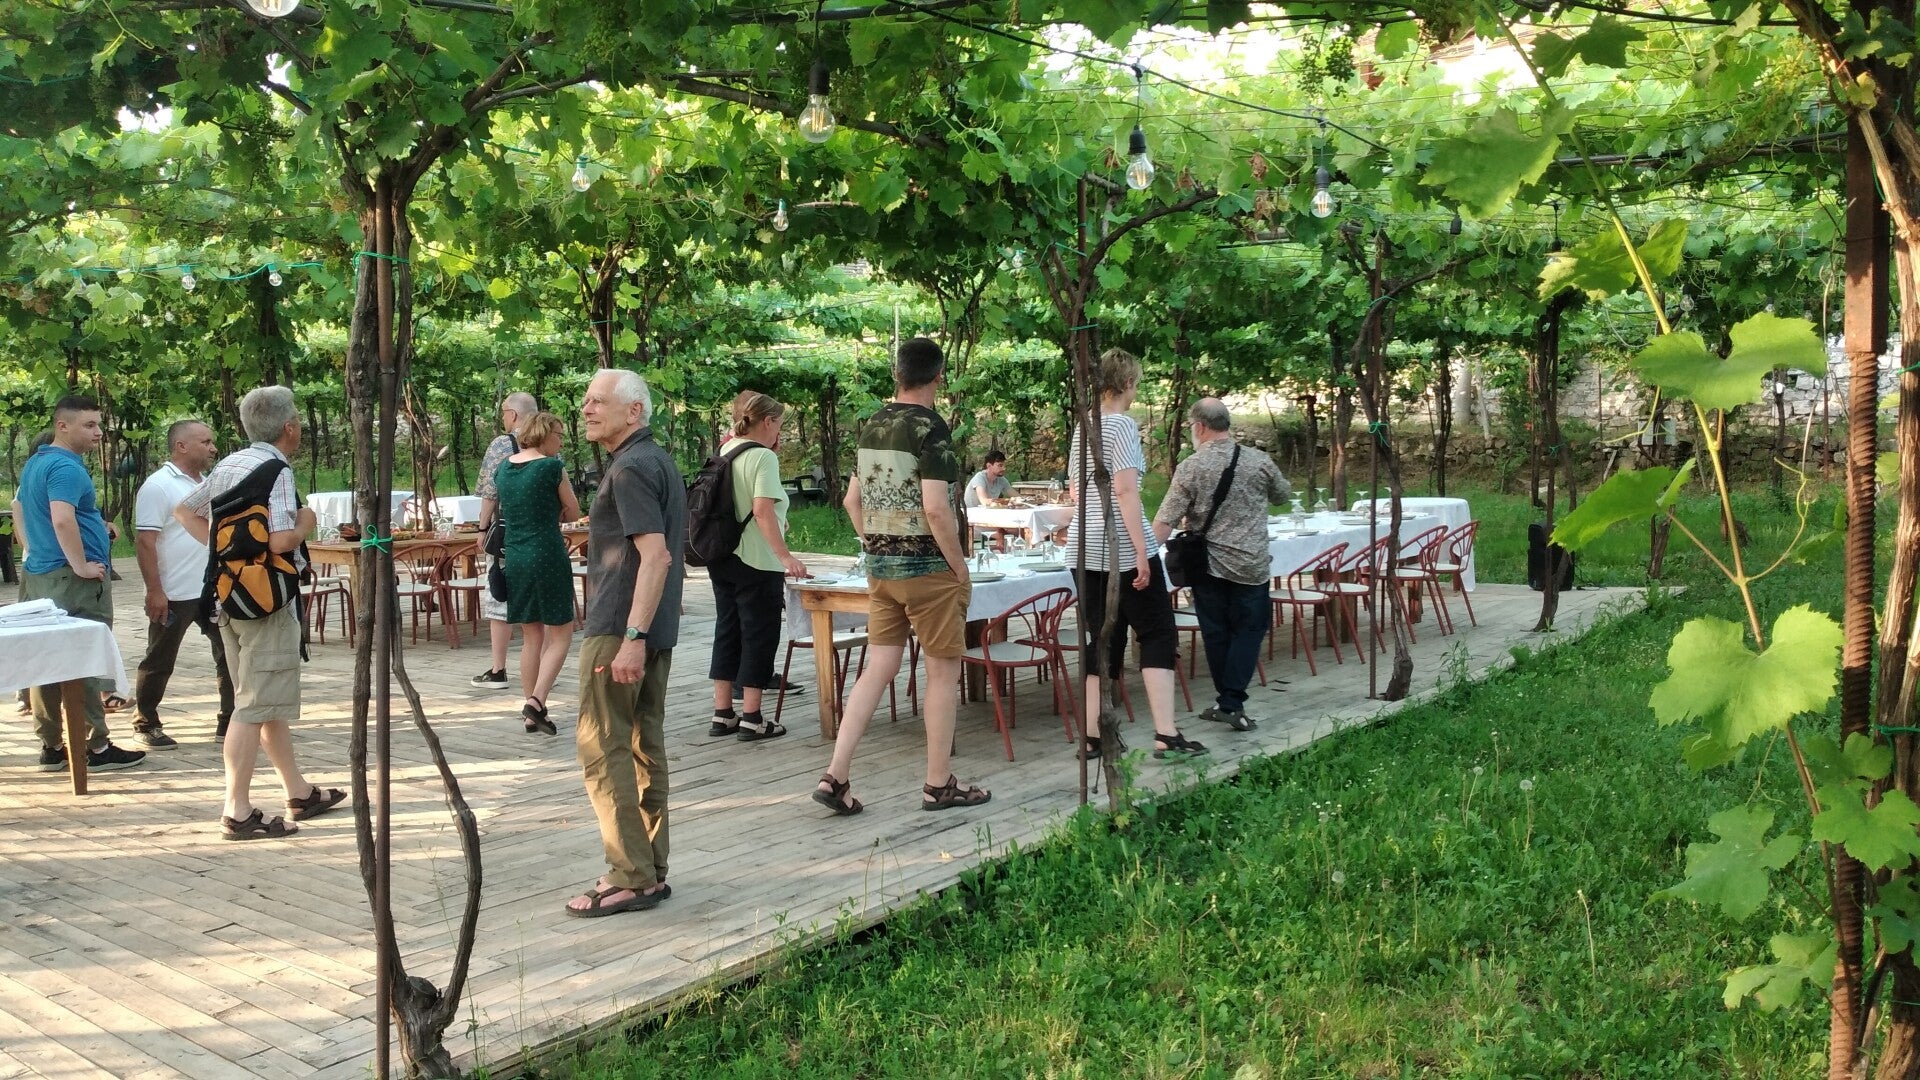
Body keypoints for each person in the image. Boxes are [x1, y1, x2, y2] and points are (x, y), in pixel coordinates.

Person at [813, 337, 990, 816]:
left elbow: (853, 501)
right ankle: (938, 783)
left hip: (881, 571)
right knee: (941, 675)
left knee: (877, 670)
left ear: (897, 374)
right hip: (929, 571)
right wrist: (959, 567)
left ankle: (836, 774)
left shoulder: (872, 424)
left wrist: (876, 546)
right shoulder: (932, 429)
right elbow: (936, 508)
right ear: (939, 377)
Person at [177, 386, 343, 840]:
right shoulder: (277, 470)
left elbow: (185, 510)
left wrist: (227, 556)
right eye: (299, 421)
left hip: (227, 597)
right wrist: (309, 519)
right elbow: (281, 540)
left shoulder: (230, 463)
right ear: (289, 427)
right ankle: (238, 811)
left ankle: (300, 791)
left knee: (262, 698)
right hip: (267, 602)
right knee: (251, 705)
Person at [565, 368, 685, 918]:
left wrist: (631, 639)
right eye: (585, 400)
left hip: (621, 627)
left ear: (634, 411)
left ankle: (630, 874)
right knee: (642, 743)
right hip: (648, 626)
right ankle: (648, 866)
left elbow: (654, 556)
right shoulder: (653, 459)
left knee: (603, 746)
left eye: (598, 401)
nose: (586, 408)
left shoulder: (632, 467)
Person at [1068, 348, 1205, 762]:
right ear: (1128, 383)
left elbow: (1078, 492)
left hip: (1083, 545)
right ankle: (1166, 732)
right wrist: (1143, 553)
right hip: (1121, 547)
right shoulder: (1123, 426)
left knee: (1101, 638)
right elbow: (1125, 491)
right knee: (1157, 633)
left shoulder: (1084, 427)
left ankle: (1092, 735)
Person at [1152, 398, 1292, 733]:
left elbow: (1166, 518)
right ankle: (1231, 702)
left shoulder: (1191, 467)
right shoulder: (1259, 461)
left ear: (1199, 427)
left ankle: (1227, 701)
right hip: (1252, 564)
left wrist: (1139, 557)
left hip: (1208, 565)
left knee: (1215, 632)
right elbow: (1283, 495)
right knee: (1249, 630)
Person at [19, 396, 143, 772]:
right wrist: (82, 565)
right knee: (84, 658)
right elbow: (61, 519)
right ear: (63, 426)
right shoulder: (66, 467)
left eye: (98, 424)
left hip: (41, 575)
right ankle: (97, 746)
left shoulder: (37, 462)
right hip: (71, 580)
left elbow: (29, 510)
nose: (99, 432)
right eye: (89, 425)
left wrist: (96, 527)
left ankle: (52, 746)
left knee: (44, 663)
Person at [706, 391, 808, 742]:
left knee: (727, 629)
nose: (780, 430)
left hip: (722, 555)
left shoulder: (726, 450)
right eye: (779, 423)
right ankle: (752, 717)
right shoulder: (762, 457)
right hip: (757, 560)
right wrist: (785, 556)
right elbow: (762, 510)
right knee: (759, 634)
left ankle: (723, 714)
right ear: (768, 422)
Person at [132, 419, 235, 747]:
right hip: (174, 591)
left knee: (231, 654)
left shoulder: (207, 482)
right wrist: (155, 590)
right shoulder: (158, 486)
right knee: (160, 657)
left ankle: (229, 722)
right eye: (205, 442)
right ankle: (146, 722)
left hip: (211, 588)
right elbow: (145, 542)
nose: (213, 448)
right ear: (181, 446)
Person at [493, 410, 581, 735]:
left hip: (515, 557)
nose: (560, 441)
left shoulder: (504, 468)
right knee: (561, 632)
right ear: (543, 434)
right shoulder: (551, 467)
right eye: (558, 434)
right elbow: (573, 510)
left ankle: (531, 715)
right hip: (547, 552)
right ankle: (538, 701)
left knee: (531, 635)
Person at [470, 391, 539, 690]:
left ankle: (499, 669)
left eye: (503, 414)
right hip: (540, 532)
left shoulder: (503, 444)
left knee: (499, 594)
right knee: (536, 601)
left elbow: (490, 491)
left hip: (507, 532)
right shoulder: (550, 443)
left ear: (512, 415)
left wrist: (482, 528)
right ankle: (538, 665)